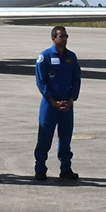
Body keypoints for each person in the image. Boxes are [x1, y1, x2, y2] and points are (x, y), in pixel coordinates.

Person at [34, 25, 81, 181]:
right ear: (53, 38)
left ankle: (65, 169)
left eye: (66, 35)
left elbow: (76, 79)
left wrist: (71, 100)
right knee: (45, 137)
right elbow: (41, 82)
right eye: (62, 36)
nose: (65, 38)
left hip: (67, 105)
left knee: (66, 138)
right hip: (50, 105)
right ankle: (40, 168)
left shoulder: (71, 57)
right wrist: (53, 101)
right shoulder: (45, 57)